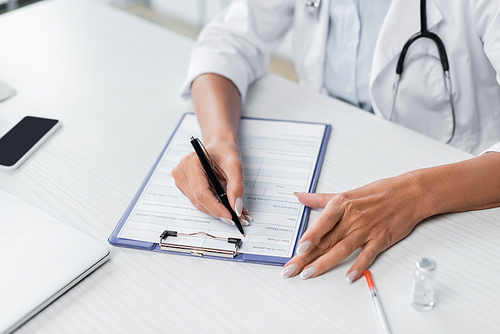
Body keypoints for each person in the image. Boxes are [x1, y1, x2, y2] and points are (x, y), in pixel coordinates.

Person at [172, 0, 500, 282]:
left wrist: (413, 196)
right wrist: (218, 140)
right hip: (333, 164)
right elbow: (226, 42)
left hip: (462, 193)